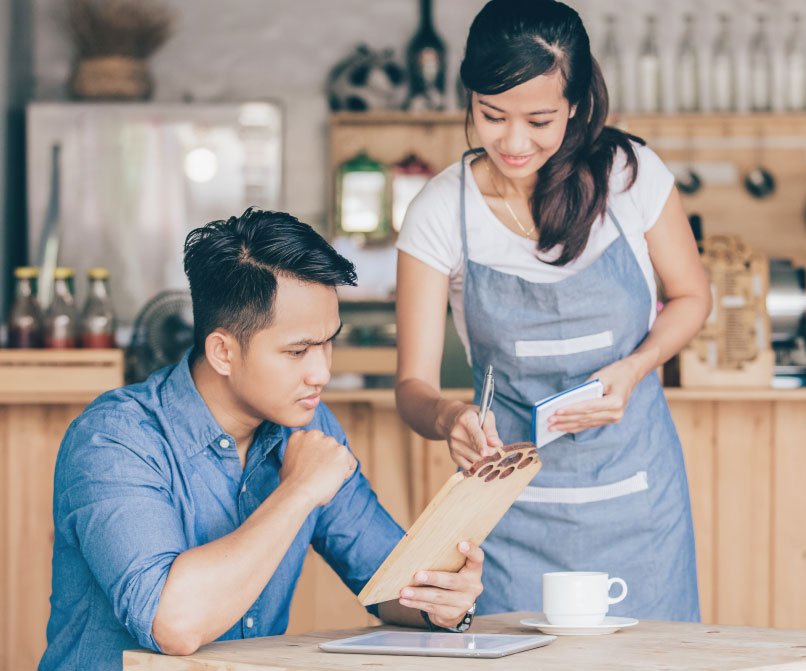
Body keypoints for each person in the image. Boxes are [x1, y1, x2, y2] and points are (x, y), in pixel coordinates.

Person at [39, 209, 483, 670]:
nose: (323, 372)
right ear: (223, 352)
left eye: (328, 342)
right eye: (297, 351)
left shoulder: (309, 426)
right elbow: (175, 623)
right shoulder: (114, 440)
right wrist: (298, 492)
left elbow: (391, 583)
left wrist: (443, 600)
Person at [395, 0, 710, 621]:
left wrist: (637, 366)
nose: (513, 141)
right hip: (508, 512)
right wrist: (448, 416)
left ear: (574, 105)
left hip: (638, 500)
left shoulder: (631, 176)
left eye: (539, 119)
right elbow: (412, 387)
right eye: (492, 115)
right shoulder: (440, 211)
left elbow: (692, 298)